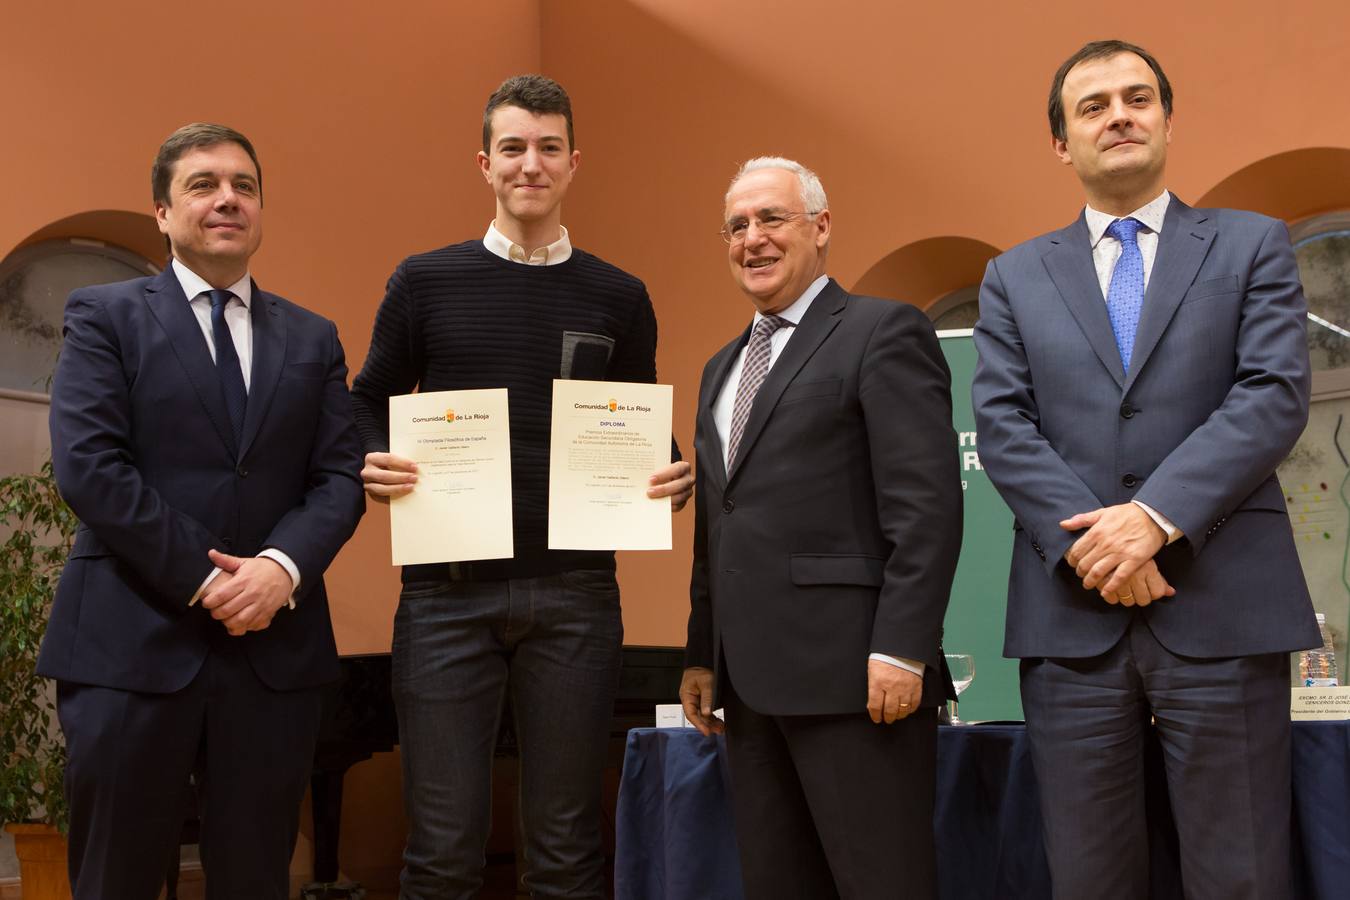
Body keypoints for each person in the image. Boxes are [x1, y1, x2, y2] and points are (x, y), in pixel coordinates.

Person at [972, 39, 1320, 899]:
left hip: (1224, 605)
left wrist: (1153, 517)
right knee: (1090, 878)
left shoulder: (1252, 245)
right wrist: (1104, 548)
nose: (1118, 115)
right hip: (1071, 616)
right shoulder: (1013, 277)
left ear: (1167, 119)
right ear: (1062, 143)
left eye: (1137, 98)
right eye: (1092, 106)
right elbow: (1002, 425)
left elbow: (1272, 393)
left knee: (1241, 873)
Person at [350, 74, 692, 898]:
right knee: (439, 850)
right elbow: (365, 402)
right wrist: (370, 456)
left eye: (547, 148)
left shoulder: (620, 295)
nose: (529, 164)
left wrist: (671, 469)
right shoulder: (423, 281)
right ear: (485, 163)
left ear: (574, 163)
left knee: (568, 848)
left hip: (576, 594)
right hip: (443, 597)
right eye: (512, 148)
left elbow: (638, 420)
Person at [39, 122, 366, 899]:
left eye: (244, 186)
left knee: (256, 879)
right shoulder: (105, 315)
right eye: (204, 184)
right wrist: (207, 576)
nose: (228, 199)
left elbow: (341, 476)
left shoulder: (313, 338)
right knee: (114, 877)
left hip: (272, 657)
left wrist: (279, 571)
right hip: (129, 647)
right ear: (162, 210)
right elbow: (90, 466)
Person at [679, 157, 961, 900]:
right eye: (736, 226)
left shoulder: (882, 330)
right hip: (748, 688)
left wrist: (902, 646)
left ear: (820, 227)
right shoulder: (720, 368)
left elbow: (926, 508)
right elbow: (721, 519)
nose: (753, 239)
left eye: (771, 219)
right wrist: (702, 652)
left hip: (857, 682)